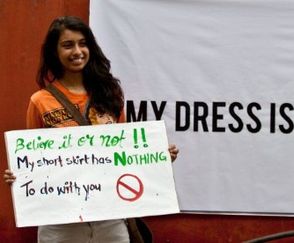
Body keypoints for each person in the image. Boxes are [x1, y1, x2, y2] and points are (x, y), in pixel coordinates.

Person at [3, 16, 179, 243]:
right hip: (60, 222)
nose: (77, 51)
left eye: (82, 43)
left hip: (110, 218)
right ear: (54, 52)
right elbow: (31, 160)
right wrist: (19, 174)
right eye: (68, 45)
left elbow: (126, 152)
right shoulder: (40, 102)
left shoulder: (110, 94)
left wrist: (156, 159)